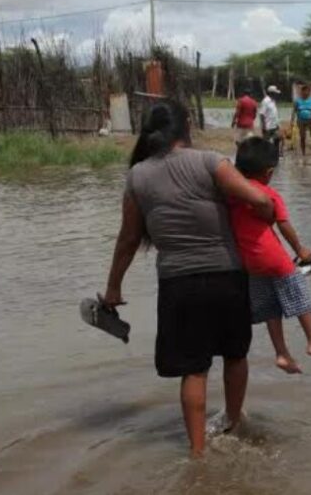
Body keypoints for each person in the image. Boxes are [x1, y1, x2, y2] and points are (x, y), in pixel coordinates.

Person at [103, 100, 274, 457]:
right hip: (227, 277)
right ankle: (233, 423)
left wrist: (114, 287)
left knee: (194, 371)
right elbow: (259, 200)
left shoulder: (137, 176)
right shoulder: (211, 162)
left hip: (178, 284)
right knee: (234, 356)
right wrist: (267, 215)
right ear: (186, 125)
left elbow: (129, 239)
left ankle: (197, 454)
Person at [229, 137, 311, 374]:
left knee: (269, 307)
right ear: (269, 172)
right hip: (273, 257)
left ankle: (281, 353)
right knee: (299, 294)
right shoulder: (269, 194)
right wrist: (299, 250)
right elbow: (283, 224)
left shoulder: (232, 194)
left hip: (249, 261)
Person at [291, 85, 311, 157]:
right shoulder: (297, 101)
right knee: (302, 136)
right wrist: (292, 121)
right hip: (301, 120)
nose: (306, 93)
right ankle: (303, 152)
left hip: (310, 120)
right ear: (302, 92)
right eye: (305, 91)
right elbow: (294, 111)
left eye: (308, 91)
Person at [260, 85, 282, 154]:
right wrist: (264, 126)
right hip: (268, 126)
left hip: (274, 125)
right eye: (275, 93)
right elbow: (262, 114)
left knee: (277, 139)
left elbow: (274, 114)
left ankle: (276, 154)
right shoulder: (265, 101)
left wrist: (278, 124)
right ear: (272, 93)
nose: (276, 95)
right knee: (266, 142)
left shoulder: (273, 101)